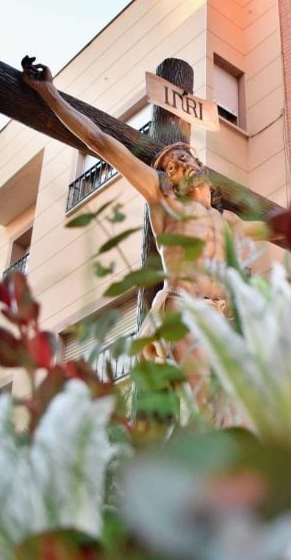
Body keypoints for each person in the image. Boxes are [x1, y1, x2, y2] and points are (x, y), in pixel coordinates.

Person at [20, 56, 268, 398]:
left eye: (184, 158)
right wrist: (50, 95)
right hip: (184, 310)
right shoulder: (165, 202)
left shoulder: (229, 222)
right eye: (172, 166)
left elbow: (280, 229)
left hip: (224, 318)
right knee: (209, 406)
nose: (179, 166)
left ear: (200, 164)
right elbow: (100, 141)